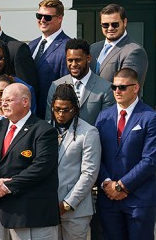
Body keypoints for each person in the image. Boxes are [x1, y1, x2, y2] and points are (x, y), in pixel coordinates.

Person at [0, 83, 59, 240]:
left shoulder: (44, 130)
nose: (2, 103)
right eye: (1, 99)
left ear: (25, 101)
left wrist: (5, 187)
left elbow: (41, 168)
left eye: (8, 100)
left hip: (28, 215)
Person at [95, 68, 156, 240]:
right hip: (108, 201)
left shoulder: (151, 117)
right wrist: (107, 184)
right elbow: (96, 156)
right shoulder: (103, 117)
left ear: (136, 88)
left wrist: (121, 186)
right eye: (114, 87)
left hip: (139, 201)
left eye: (123, 87)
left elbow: (150, 160)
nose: (117, 91)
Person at [49, 84, 101, 240]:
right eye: (57, 109)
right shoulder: (43, 129)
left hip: (76, 210)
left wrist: (67, 203)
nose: (61, 114)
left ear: (75, 109)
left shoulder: (89, 132)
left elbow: (89, 173)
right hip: (48, 207)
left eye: (66, 110)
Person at [46, 38, 115, 125]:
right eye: (70, 60)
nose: (74, 64)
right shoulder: (56, 85)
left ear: (88, 58)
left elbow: (106, 124)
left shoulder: (106, 88)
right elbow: (49, 121)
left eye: (78, 60)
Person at [28, 0, 71, 117]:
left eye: (47, 17)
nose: (42, 20)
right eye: (39, 16)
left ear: (60, 18)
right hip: (30, 114)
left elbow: (66, 86)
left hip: (51, 115)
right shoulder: (32, 45)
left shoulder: (68, 46)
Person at [90, 4, 148, 84]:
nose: (110, 28)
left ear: (124, 22)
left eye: (115, 24)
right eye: (105, 25)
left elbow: (127, 88)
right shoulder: (93, 48)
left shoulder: (134, 51)